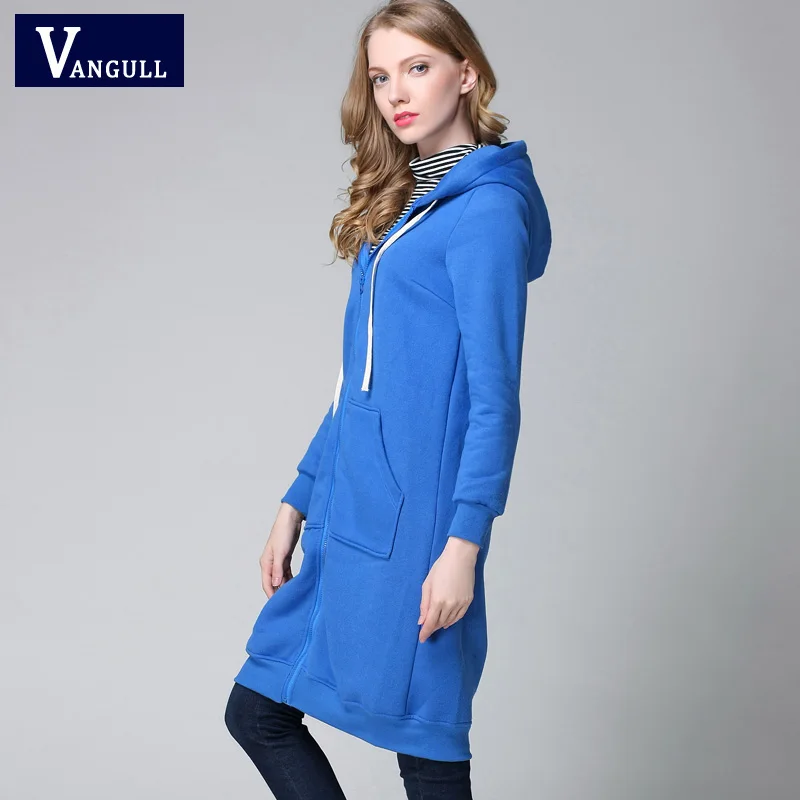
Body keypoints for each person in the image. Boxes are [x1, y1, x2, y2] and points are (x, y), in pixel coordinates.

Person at [224, 1, 552, 797]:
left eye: (418, 67)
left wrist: (463, 547)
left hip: (420, 533)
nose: (396, 92)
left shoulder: (486, 213)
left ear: (466, 74)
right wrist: (298, 497)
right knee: (260, 711)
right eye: (380, 76)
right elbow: (356, 381)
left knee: (425, 746)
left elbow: (495, 399)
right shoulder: (403, 206)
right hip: (352, 512)